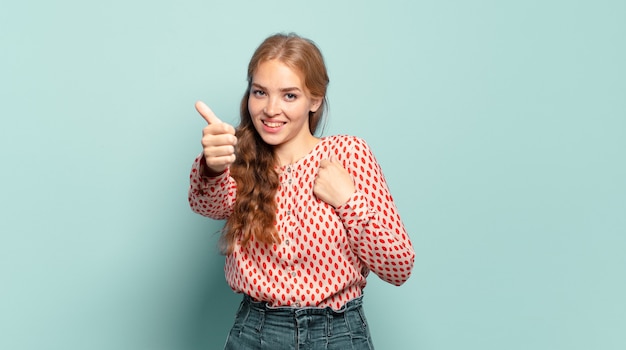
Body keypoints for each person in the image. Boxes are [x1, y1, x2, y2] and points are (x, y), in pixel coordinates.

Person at [188, 33, 415, 350]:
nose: (270, 109)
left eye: (289, 96)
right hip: (255, 332)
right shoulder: (239, 157)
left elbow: (398, 266)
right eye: (260, 92)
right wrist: (213, 166)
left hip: (338, 334)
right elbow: (207, 204)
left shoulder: (348, 154)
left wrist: (348, 202)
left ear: (315, 99)